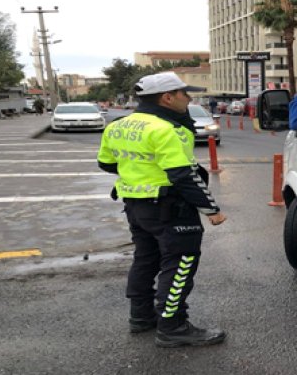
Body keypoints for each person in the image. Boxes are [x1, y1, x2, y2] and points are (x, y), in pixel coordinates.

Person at [97, 71, 228, 348]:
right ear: (167, 98)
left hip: (135, 206)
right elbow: (184, 173)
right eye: (184, 93)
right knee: (180, 264)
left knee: (146, 260)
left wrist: (139, 173)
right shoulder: (166, 129)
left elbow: (107, 164)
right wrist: (211, 208)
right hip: (170, 208)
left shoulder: (118, 125)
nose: (189, 98)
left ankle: (141, 317)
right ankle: (173, 326)